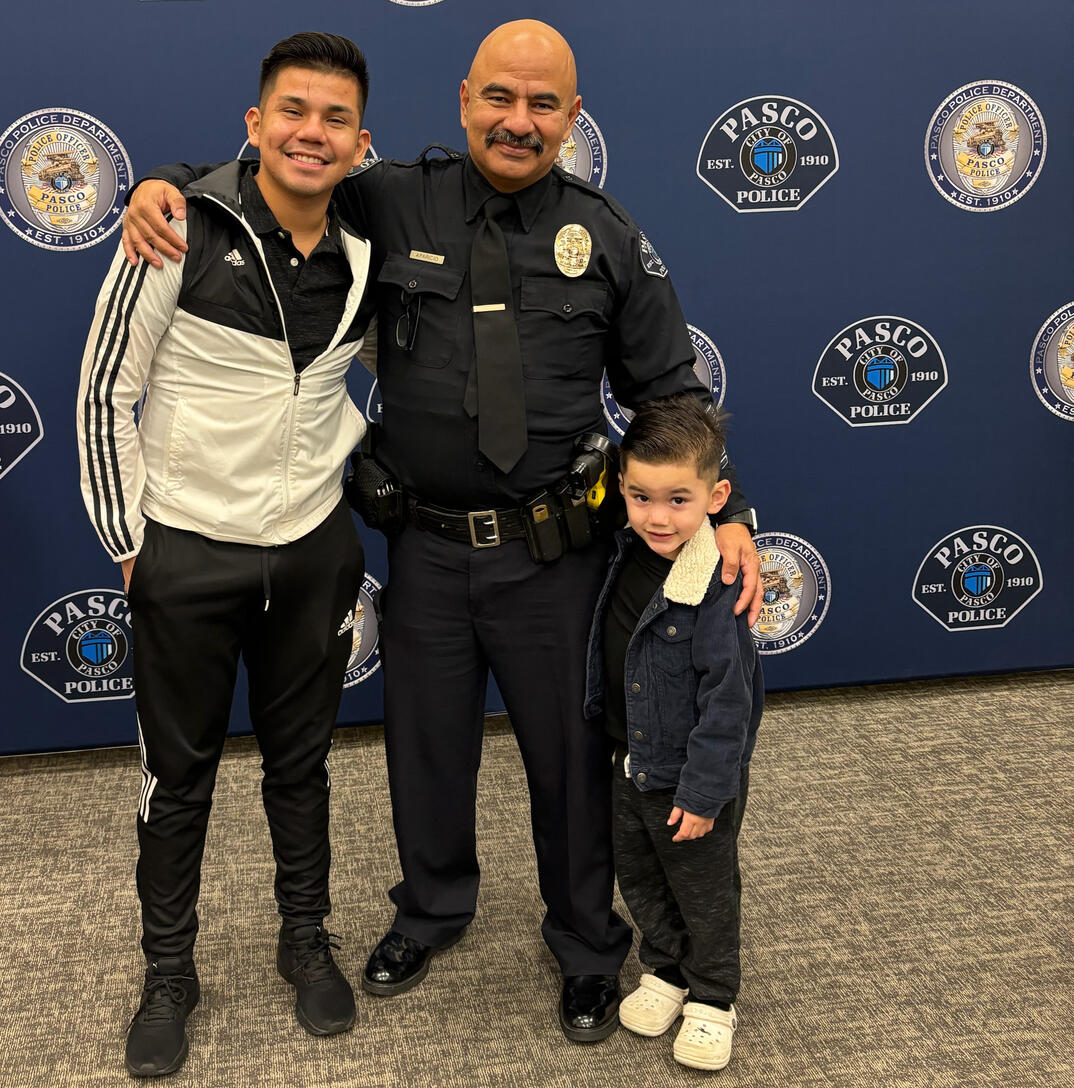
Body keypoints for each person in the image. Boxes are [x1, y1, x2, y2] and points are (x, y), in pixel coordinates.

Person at [121, 19, 761, 1043]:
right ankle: (429, 907)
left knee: (566, 759)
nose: (518, 121)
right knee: (425, 750)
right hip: (422, 548)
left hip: (555, 557)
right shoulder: (389, 198)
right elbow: (283, 174)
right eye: (499, 98)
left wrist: (737, 522)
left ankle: (589, 942)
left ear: (572, 116)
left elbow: (670, 391)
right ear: (463, 99)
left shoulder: (605, 236)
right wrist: (163, 180)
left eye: (542, 104)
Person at [76, 32, 377, 1077]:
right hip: (186, 552)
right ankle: (169, 971)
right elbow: (105, 391)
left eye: (335, 117)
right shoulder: (178, 227)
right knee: (178, 777)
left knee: (301, 767)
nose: (312, 132)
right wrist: (131, 544)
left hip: (311, 553)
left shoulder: (370, 246)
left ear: (359, 140)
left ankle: (305, 940)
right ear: (255, 124)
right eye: (294, 110)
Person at [583, 394, 762, 1071]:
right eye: (642, 496)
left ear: (717, 496)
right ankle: (665, 968)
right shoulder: (626, 548)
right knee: (643, 879)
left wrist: (707, 791)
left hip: (691, 779)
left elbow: (729, 704)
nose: (659, 516)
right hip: (629, 763)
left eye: (679, 499)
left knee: (705, 892)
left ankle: (714, 996)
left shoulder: (718, 579)